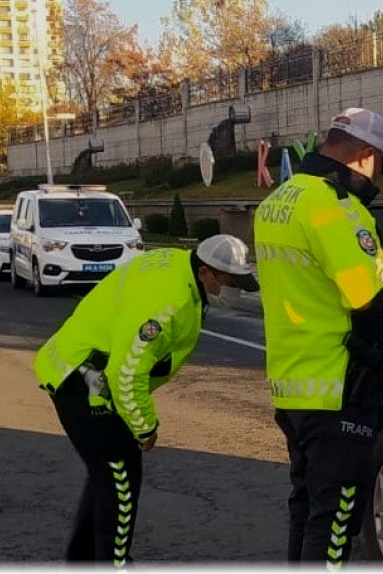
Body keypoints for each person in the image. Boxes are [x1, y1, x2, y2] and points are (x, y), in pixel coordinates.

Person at [254, 108, 383, 567]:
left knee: (307, 507)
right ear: (366, 154)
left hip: (293, 385)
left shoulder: (279, 200)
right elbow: (369, 297)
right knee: (335, 521)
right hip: (338, 389)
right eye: (379, 165)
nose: (376, 177)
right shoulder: (335, 207)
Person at [33, 235, 260, 564]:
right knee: (121, 486)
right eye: (229, 282)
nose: (233, 290)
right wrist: (144, 427)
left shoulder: (176, 262)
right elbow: (126, 374)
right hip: (88, 382)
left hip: (77, 364)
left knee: (106, 477)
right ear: (205, 273)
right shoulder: (169, 304)